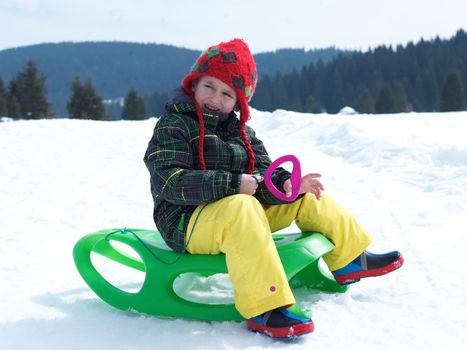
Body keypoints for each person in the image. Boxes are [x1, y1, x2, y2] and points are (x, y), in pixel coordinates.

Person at [143, 38, 404, 338]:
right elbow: (169, 181)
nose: (216, 99)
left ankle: (350, 258)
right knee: (241, 205)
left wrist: (286, 185)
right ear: (194, 84)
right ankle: (265, 306)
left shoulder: (241, 133)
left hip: (237, 218)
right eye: (209, 87)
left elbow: (262, 172)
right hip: (186, 221)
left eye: (227, 93)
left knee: (303, 196)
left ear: (238, 102)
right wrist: (232, 184)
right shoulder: (174, 125)